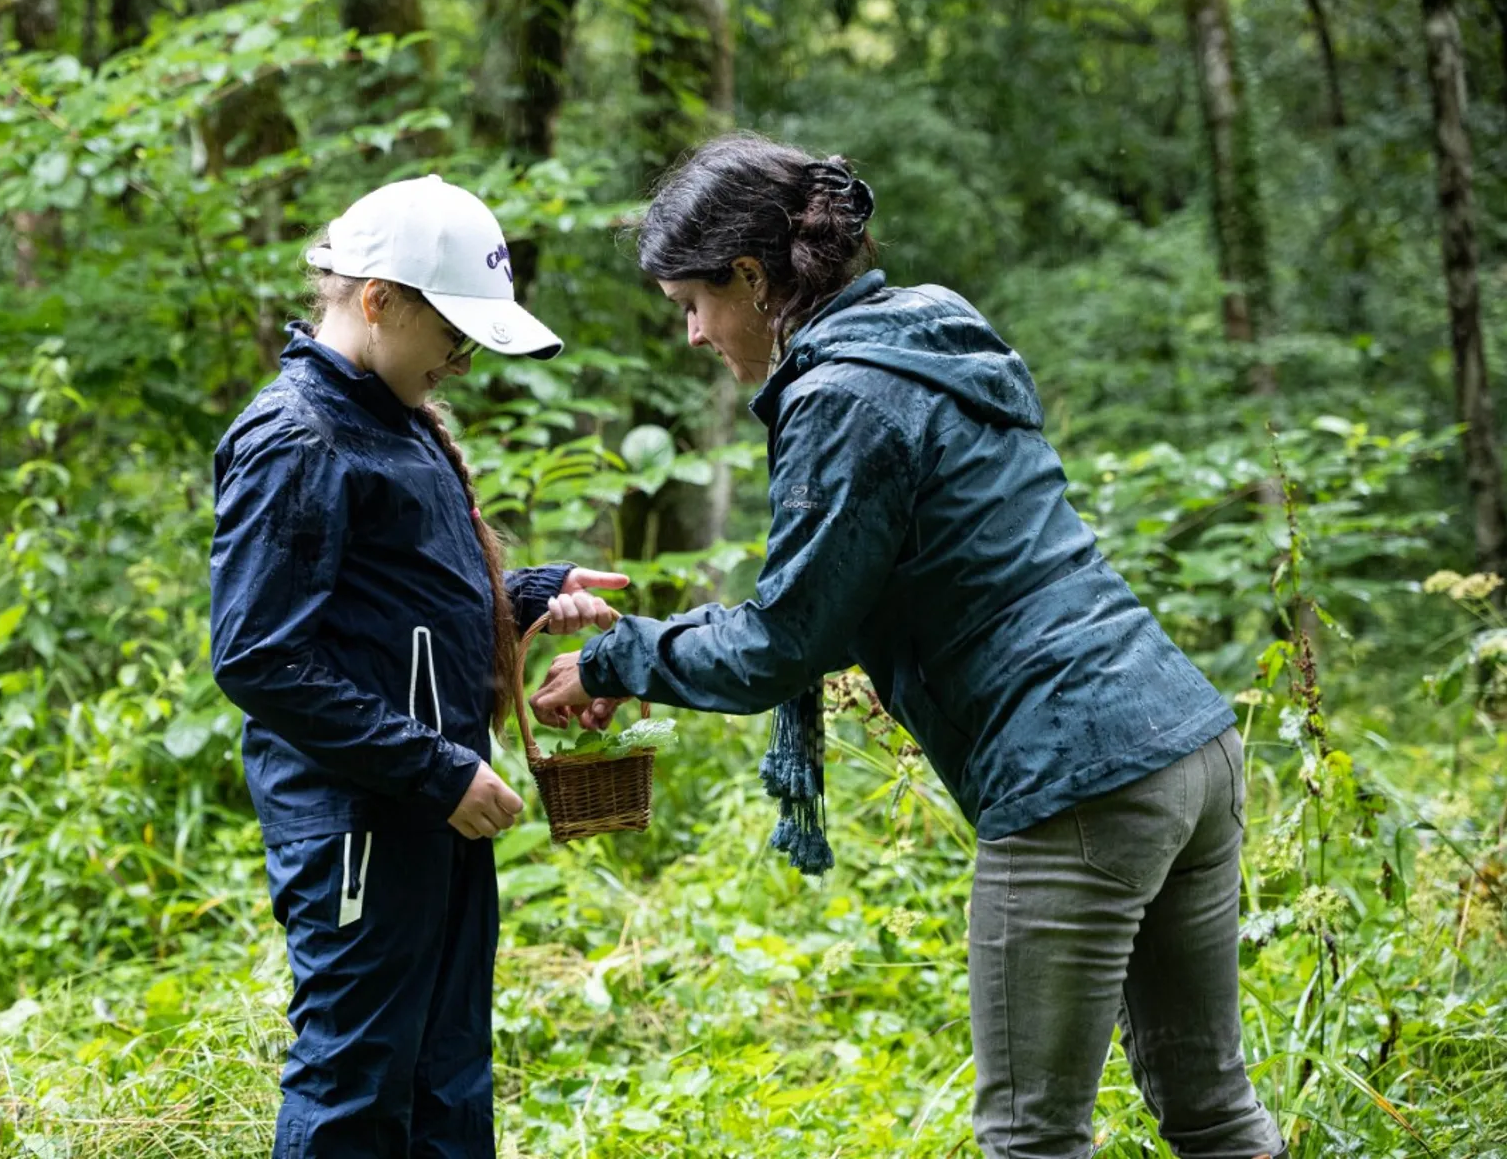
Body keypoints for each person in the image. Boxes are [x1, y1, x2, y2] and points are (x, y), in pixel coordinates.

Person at [530, 134, 1286, 1159]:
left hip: (1077, 778)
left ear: (753, 278)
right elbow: (858, 598)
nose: (698, 335)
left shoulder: (843, 397)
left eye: (694, 306)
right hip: (1186, 747)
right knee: (1213, 1112)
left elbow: (779, 645)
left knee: (1030, 1137)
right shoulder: (926, 332)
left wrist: (620, 661)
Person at [210, 175, 626, 1158]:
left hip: (436, 806)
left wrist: (525, 594)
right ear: (378, 300)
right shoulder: (296, 435)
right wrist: (436, 769)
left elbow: (400, 603)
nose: (463, 357)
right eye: (454, 330)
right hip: (363, 814)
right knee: (356, 1077)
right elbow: (259, 656)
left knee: (446, 1072)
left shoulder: (396, 418)